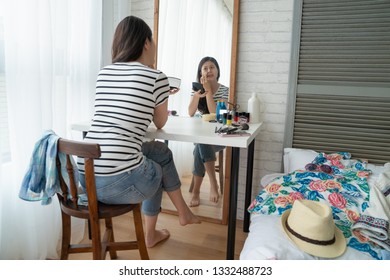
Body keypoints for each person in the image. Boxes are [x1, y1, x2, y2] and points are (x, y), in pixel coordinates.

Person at [77, 15, 200, 248]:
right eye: (153, 41)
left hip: (87, 178)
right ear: (146, 42)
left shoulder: (104, 73)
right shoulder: (156, 77)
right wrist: (160, 95)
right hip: (119, 182)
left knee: (159, 152)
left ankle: (179, 215)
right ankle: (163, 226)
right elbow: (161, 122)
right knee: (157, 166)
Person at [188, 56, 229, 207]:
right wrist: (197, 96)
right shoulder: (197, 89)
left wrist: (209, 91)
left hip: (219, 136)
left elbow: (218, 115)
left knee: (199, 148)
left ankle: (198, 191)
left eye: (212, 67)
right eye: (205, 68)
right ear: (200, 73)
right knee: (201, 142)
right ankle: (213, 183)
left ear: (218, 71)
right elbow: (191, 113)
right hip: (201, 135)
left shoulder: (224, 89)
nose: (209, 70)